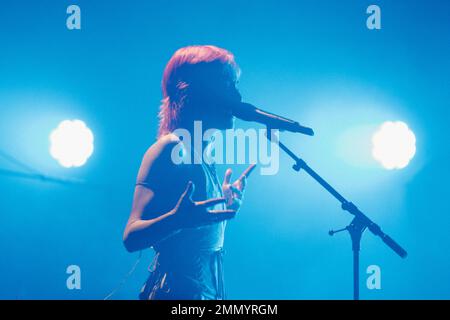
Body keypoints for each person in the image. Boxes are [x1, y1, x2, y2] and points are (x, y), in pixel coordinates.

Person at [123, 45, 255, 300]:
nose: (237, 95)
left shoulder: (205, 157)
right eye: (227, 84)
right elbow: (131, 236)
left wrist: (222, 206)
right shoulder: (169, 149)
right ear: (196, 91)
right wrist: (177, 219)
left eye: (236, 84)